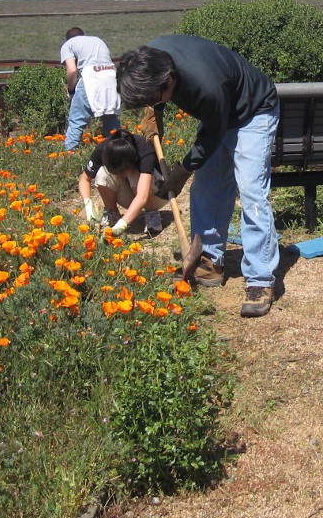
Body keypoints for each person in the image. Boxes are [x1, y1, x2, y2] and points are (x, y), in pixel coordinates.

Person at [116, 35, 281, 319]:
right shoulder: (148, 58)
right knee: (207, 188)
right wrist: (154, 113)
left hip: (253, 111)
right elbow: (157, 98)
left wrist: (183, 170)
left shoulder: (205, 84)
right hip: (219, 111)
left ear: (168, 79)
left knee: (252, 194)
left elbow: (212, 136)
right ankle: (210, 261)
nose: (153, 101)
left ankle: (260, 280)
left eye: (155, 97)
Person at [77, 129, 165, 237]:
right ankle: (112, 213)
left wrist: (122, 225)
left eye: (122, 171)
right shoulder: (103, 150)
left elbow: (142, 196)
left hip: (158, 194)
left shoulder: (143, 149)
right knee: (101, 173)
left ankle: (152, 213)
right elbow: (84, 179)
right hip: (131, 195)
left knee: (134, 174)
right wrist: (88, 204)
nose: (120, 175)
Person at [60, 27, 122, 151]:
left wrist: (71, 91)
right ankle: (120, 151)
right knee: (110, 117)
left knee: (76, 120)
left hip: (91, 78)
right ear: (83, 35)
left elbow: (72, 70)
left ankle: (69, 156)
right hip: (112, 78)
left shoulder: (68, 45)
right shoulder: (97, 40)